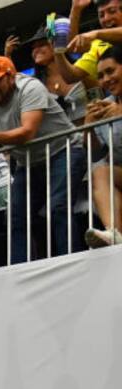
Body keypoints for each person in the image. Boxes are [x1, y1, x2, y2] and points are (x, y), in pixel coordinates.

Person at [0, 55, 85, 263]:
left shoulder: (30, 88)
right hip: (29, 162)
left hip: (63, 150)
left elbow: (27, 133)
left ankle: (71, 262)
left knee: (57, 207)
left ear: (10, 77)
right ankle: (20, 269)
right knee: (15, 216)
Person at [84, 43, 122, 245]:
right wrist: (88, 127)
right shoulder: (106, 104)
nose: (106, 79)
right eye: (101, 76)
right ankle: (114, 234)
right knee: (100, 172)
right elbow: (95, 153)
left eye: (110, 71)